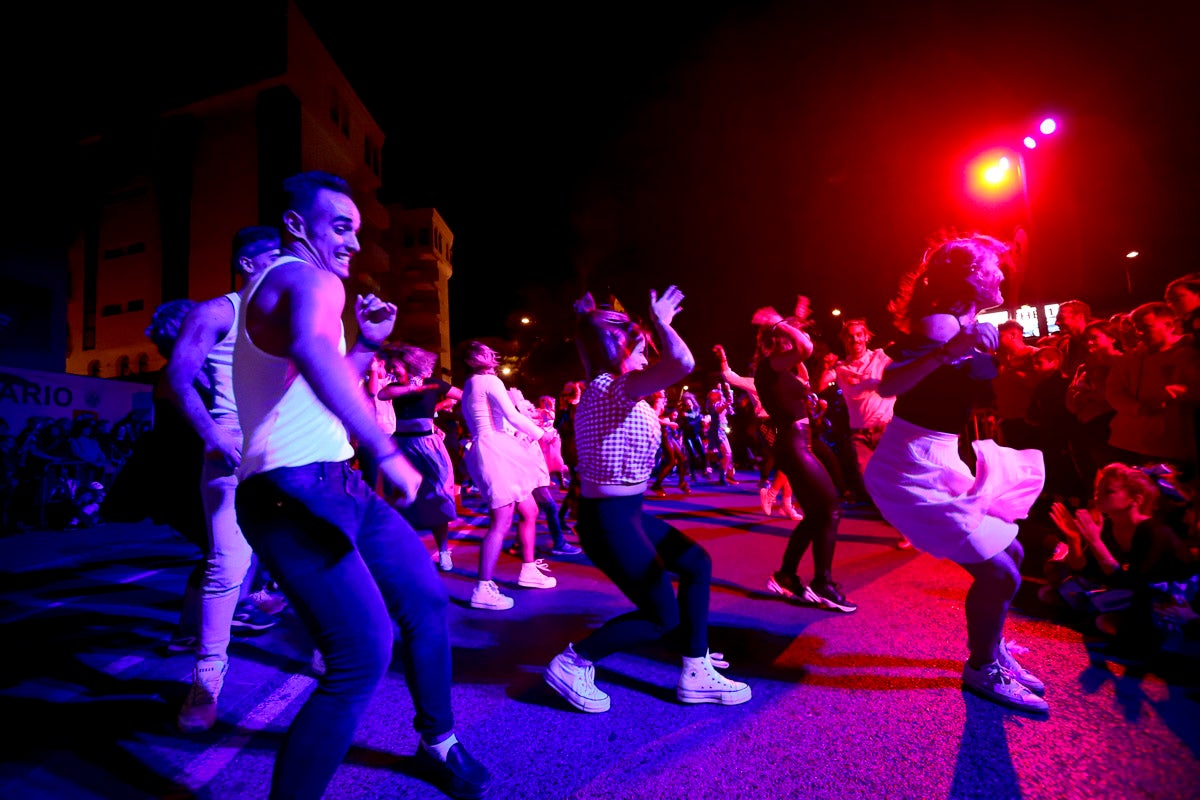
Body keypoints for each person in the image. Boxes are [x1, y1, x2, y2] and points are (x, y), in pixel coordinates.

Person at [232, 171, 489, 800]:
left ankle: (439, 743)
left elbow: (312, 382)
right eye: (340, 228)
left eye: (357, 229)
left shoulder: (288, 289)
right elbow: (315, 355)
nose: (352, 244)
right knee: (360, 656)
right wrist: (385, 448)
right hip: (290, 493)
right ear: (297, 227)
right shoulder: (306, 277)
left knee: (426, 603)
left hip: (337, 483)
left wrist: (369, 345)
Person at [863, 233, 1048, 714]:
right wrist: (952, 350)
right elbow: (890, 383)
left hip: (941, 457)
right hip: (911, 466)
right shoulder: (941, 323)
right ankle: (982, 668)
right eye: (994, 269)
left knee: (1013, 549)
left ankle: (993, 653)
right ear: (968, 276)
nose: (1002, 276)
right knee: (999, 573)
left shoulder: (962, 318)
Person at [544, 288, 750, 713]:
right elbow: (682, 363)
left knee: (696, 562)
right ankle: (572, 662)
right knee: (661, 617)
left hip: (627, 514)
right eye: (639, 351)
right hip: (609, 520)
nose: (644, 360)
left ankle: (695, 666)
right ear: (616, 352)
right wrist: (661, 323)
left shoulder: (612, 389)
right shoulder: (610, 387)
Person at [165, 225, 285, 733]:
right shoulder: (218, 311)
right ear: (249, 263)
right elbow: (177, 375)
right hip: (233, 446)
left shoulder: (291, 318)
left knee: (312, 554)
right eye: (276, 257)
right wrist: (212, 430)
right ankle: (206, 677)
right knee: (226, 563)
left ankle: (339, 649)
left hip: (290, 449)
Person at [753, 306, 856, 612]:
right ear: (780, 338)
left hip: (804, 441)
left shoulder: (784, 369)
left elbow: (805, 372)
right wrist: (779, 322)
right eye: (793, 333)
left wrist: (796, 317)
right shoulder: (769, 366)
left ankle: (786, 575)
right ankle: (822, 583)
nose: (803, 336)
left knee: (816, 513)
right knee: (829, 508)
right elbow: (805, 346)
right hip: (793, 444)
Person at [458, 341, 558, 610]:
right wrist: (543, 434)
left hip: (495, 448)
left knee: (530, 510)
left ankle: (528, 570)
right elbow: (512, 416)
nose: (489, 354)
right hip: (495, 451)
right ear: (471, 360)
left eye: (487, 350)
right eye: (481, 352)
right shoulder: (487, 381)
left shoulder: (474, 382)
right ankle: (482, 588)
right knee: (500, 522)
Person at [379, 343, 462, 571]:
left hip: (428, 445)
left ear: (409, 364)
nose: (392, 369)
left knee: (438, 496)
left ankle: (444, 551)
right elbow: (382, 393)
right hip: (401, 446)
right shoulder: (395, 387)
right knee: (400, 496)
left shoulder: (433, 383)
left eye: (395, 365)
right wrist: (412, 389)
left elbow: (462, 396)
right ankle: (405, 551)